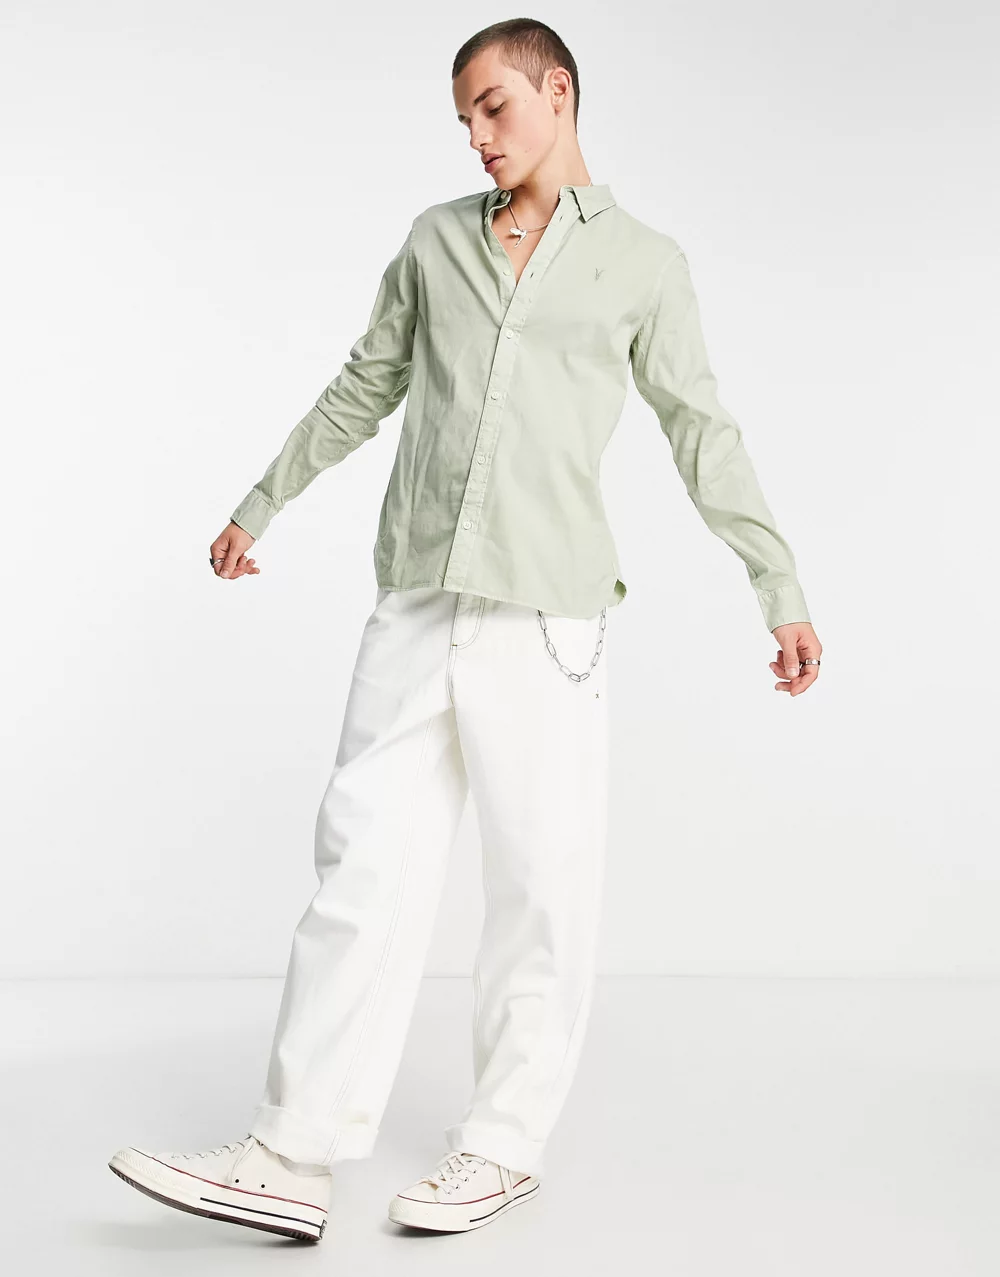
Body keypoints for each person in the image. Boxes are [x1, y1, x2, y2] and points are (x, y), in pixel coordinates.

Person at [108, 17, 823, 1245]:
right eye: (463, 120)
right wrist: (261, 499)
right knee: (361, 868)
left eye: (494, 106)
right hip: (416, 596)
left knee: (540, 884)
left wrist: (780, 585)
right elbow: (364, 384)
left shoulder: (643, 264)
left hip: (546, 614)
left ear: (558, 91)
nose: (478, 136)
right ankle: (290, 1152)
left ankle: (503, 1146)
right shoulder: (435, 241)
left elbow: (701, 432)